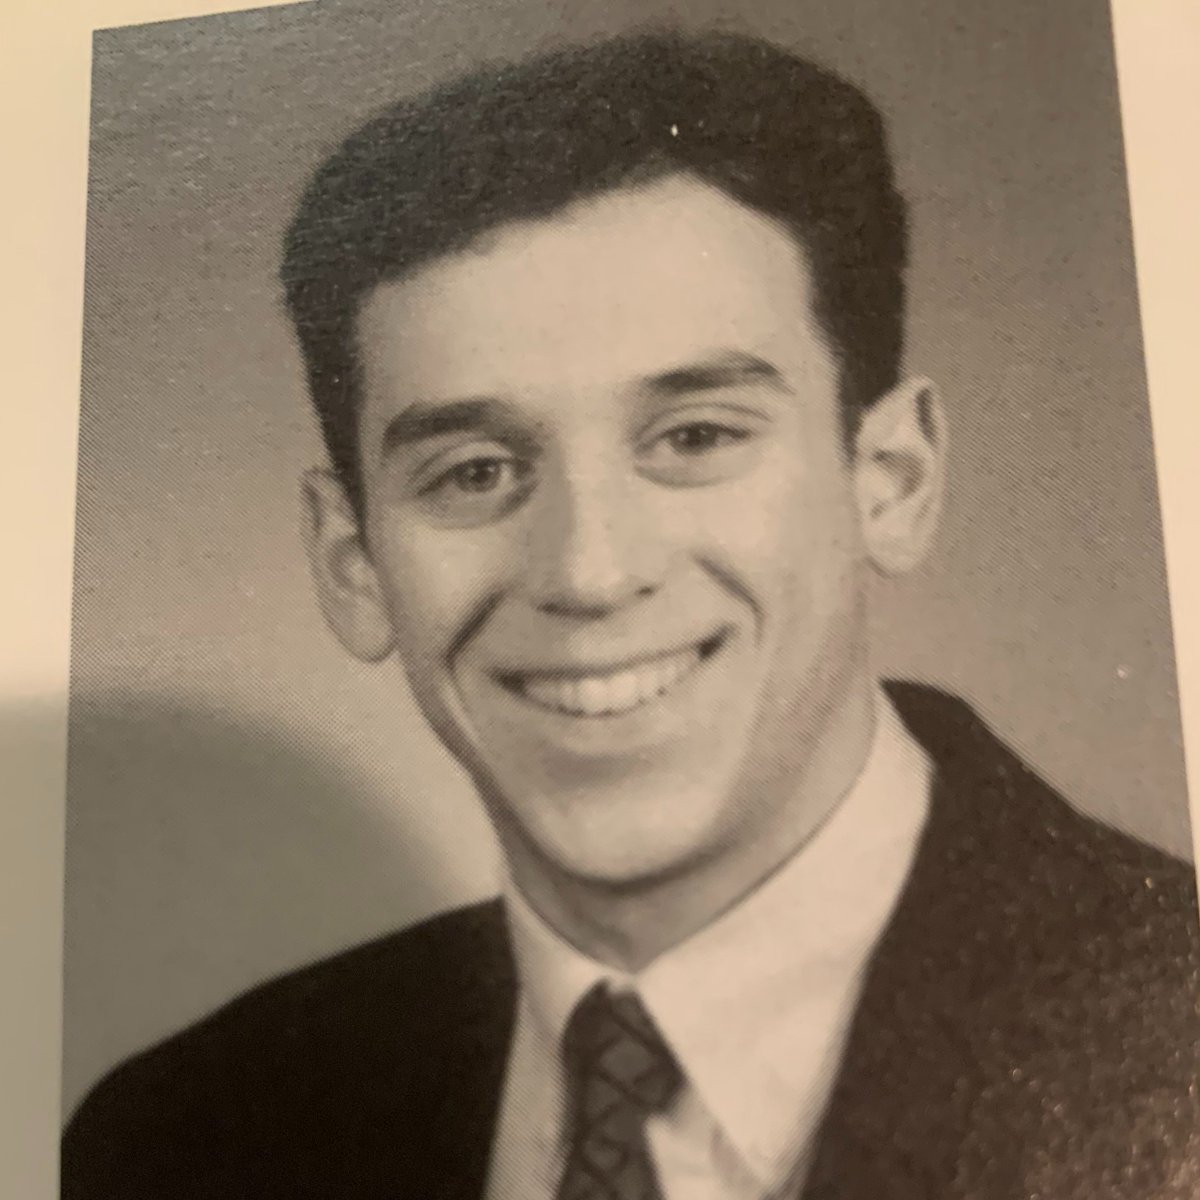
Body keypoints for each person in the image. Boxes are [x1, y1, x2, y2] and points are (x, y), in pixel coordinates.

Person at [62, 28, 1200, 1200]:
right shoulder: (182, 1139)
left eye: (694, 437)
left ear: (890, 481)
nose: (590, 573)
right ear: (353, 561)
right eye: (474, 472)